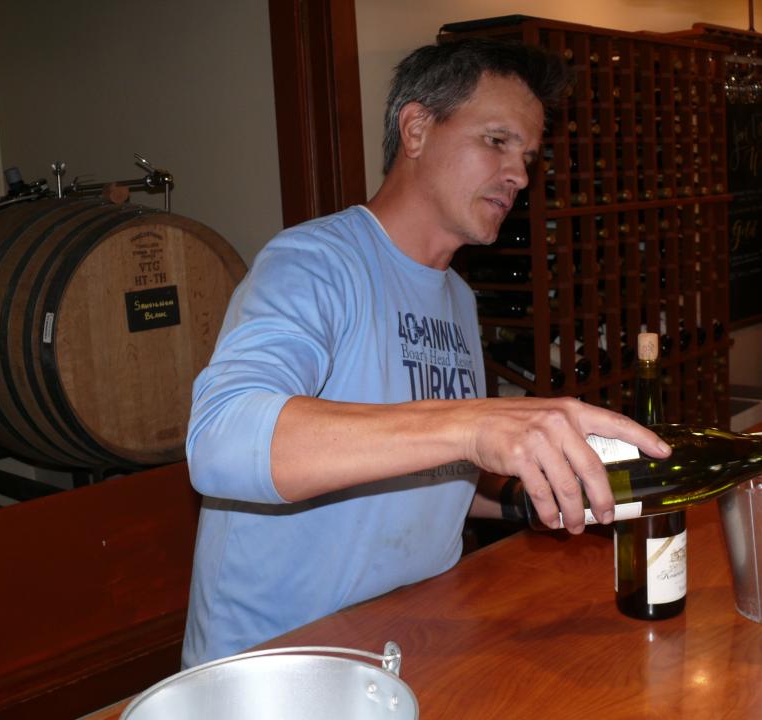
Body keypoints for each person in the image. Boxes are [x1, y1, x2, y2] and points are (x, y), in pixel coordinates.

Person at [182, 37, 671, 668]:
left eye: (527, 156)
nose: (520, 174)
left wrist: (527, 493)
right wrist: (474, 423)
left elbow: (424, 469)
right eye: (496, 141)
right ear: (416, 129)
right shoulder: (312, 263)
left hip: (412, 645)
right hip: (278, 671)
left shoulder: (458, 300)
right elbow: (221, 440)